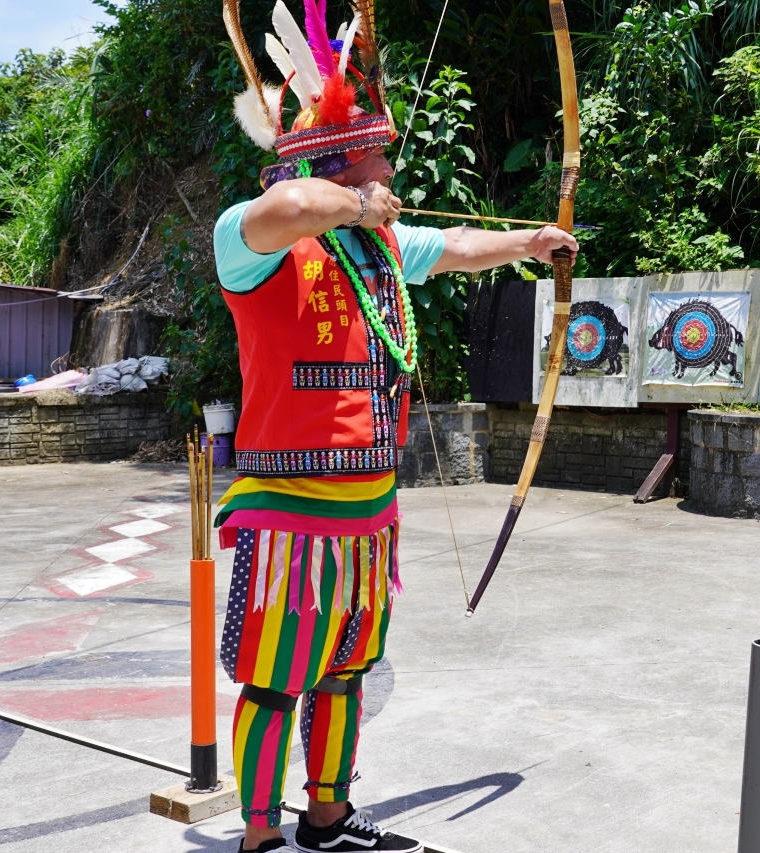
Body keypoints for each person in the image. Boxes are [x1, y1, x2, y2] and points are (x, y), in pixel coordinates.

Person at [216, 4, 576, 852]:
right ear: (341, 166)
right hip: (289, 513)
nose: (392, 181)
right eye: (378, 162)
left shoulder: (376, 247)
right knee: (275, 683)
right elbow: (295, 201)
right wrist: (357, 198)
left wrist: (531, 239)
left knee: (344, 674)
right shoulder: (255, 240)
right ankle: (260, 835)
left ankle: (327, 816)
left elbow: (451, 245)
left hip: (368, 516)